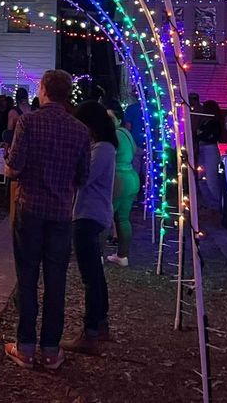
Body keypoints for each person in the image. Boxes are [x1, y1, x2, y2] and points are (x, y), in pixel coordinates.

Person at [4, 69, 91, 370]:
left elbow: (14, 166)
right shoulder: (80, 130)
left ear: (43, 90)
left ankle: (25, 347)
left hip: (29, 210)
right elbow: (83, 176)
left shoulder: (28, 122)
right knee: (56, 281)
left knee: (27, 278)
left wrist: (10, 168)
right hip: (60, 214)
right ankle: (51, 349)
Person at [63, 101, 117, 355]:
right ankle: (100, 325)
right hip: (92, 214)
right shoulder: (102, 148)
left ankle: (90, 331)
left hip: (89, 216)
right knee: (95, 274)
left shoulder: (102, 150)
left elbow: (81, 177)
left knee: (90, 276)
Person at [107, 103, 139, 267]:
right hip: (131, 177)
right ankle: (123, 255)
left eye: (110, 118)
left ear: (119, 119)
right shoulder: (126, 133)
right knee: (123, 218)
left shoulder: (113, 135)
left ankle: (97, 255)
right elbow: (134, 151)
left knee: (105, 216)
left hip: (119, 179)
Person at [196, 100, 223, 209]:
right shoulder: (204, 121)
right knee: (201, 177)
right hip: (202, 147)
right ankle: (209, 202)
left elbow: (211, 136)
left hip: (210, 149)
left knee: (211, 177)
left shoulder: (215, 122)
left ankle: (218, 202)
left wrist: (201, 135)